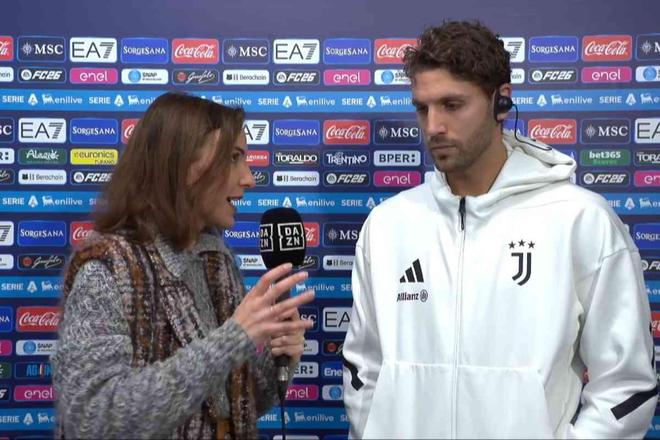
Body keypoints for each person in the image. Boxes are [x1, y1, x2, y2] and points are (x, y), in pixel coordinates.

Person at [342, 20, 657, 439]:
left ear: (500, 102)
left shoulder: (579, 220)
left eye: (452, 105)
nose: (433, 126)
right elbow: (364, 370)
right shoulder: (388, 226)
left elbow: (626, 384)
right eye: (423, 108)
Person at [52, 92, 315, 439]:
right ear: (182, 164)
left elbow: (232, 407)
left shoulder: (215, 262)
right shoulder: (106, 269)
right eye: (233, 157)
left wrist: (279, 360)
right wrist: (234, 337)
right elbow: (94, 418)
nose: (249, 178)